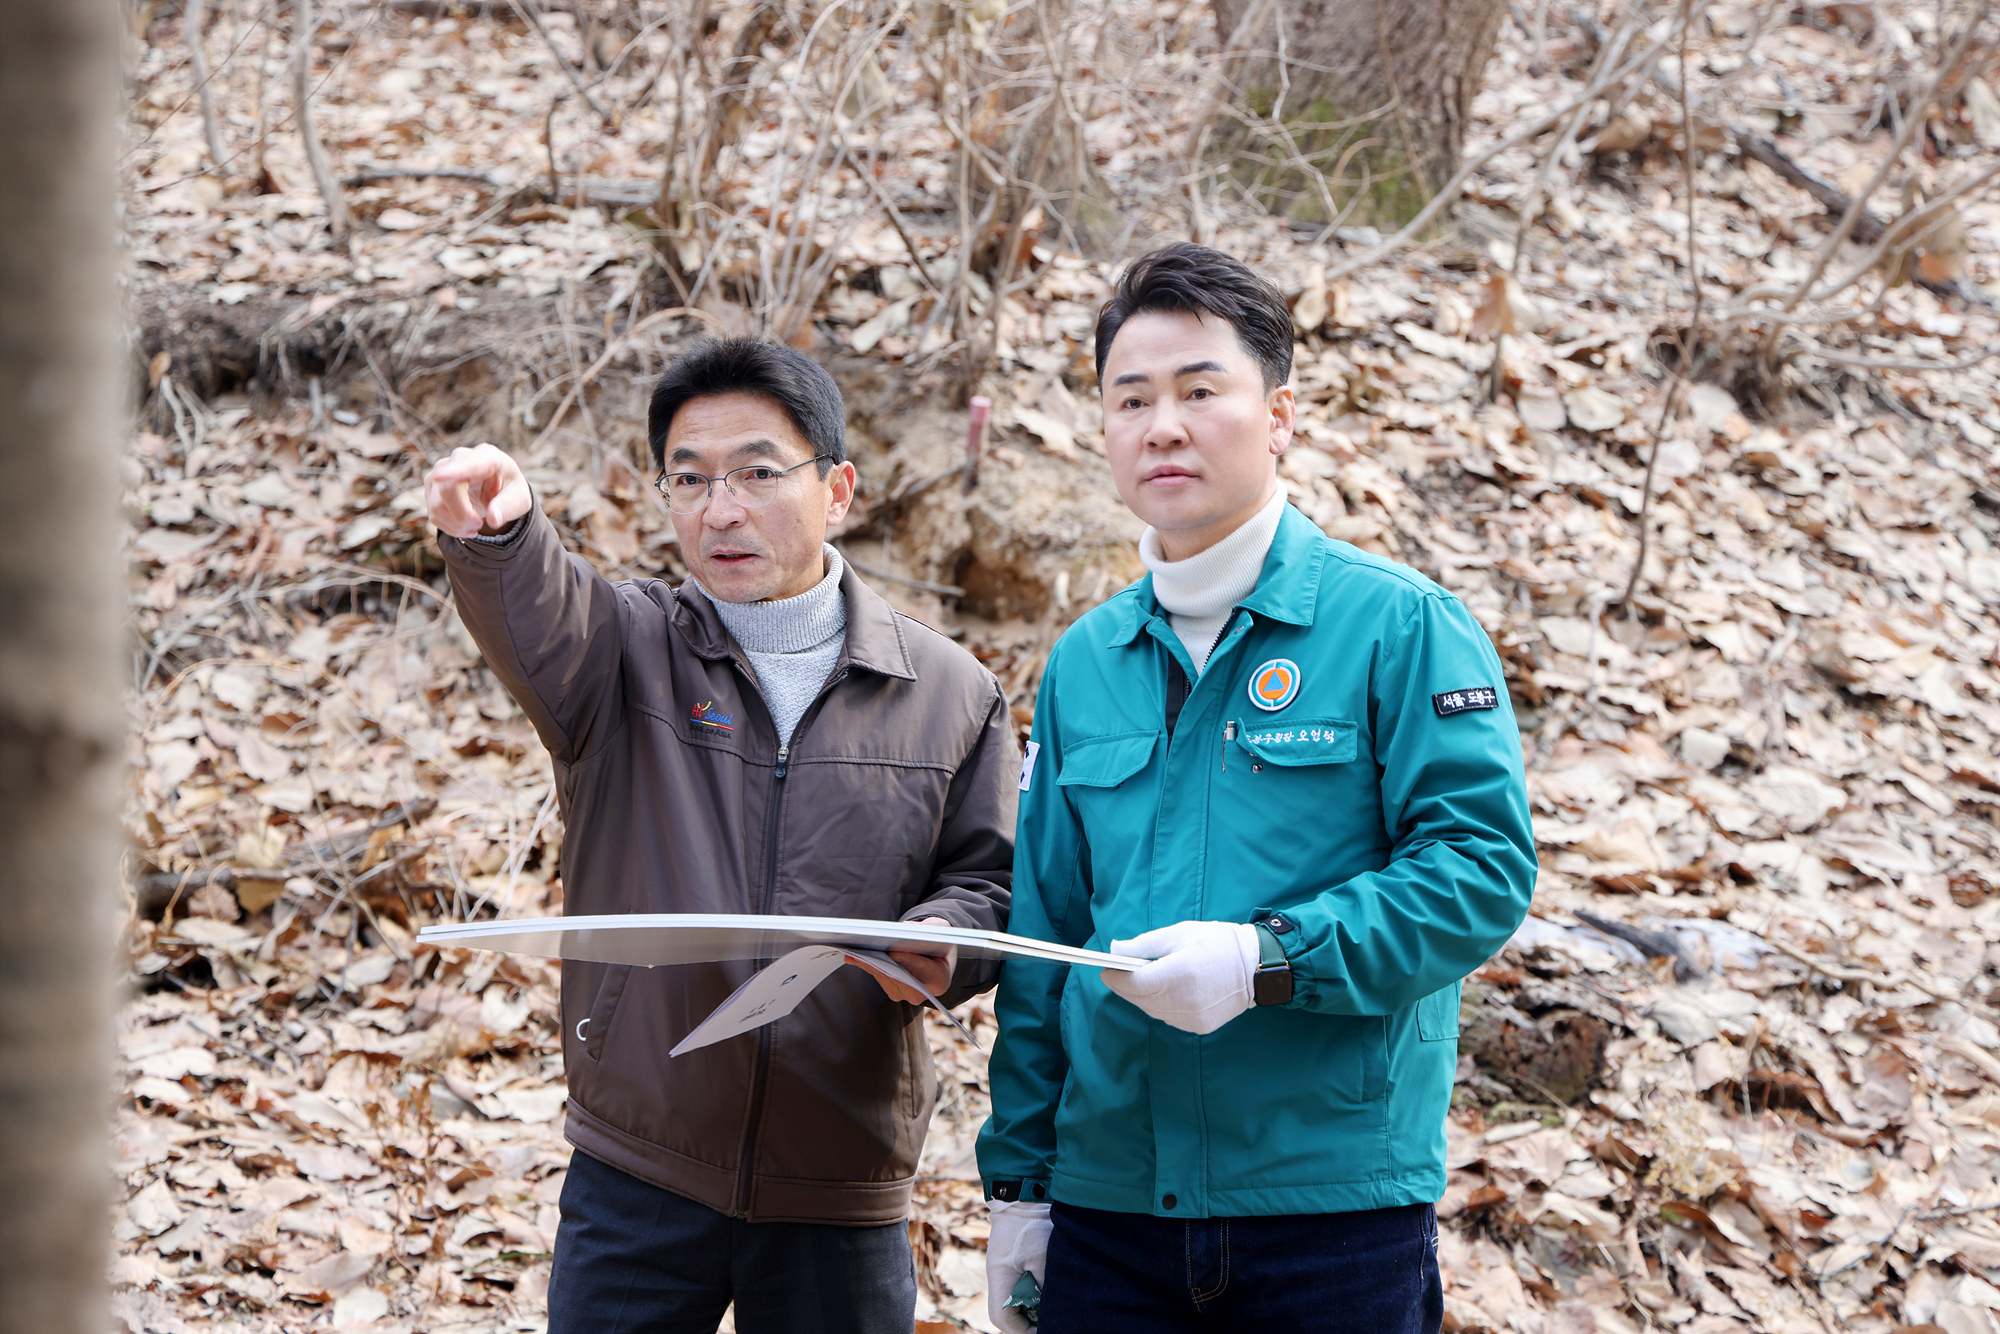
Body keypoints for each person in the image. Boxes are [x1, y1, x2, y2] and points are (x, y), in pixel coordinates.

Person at [975, 243, 1535, 1334]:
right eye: (1129, 398)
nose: (1161, 425)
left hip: (1328, 1211)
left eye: (1197, 390)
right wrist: (1020, 1186)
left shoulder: (1396, 625)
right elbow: (1045, 932)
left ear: (1276, 414)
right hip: (1109, 1209)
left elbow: (1478, 869)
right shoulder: (1087, 659)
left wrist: (1267, 958)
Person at [424, 339, 1017, 1334]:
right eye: (689, 479)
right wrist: (501, 533)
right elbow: (535, 610)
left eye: (755, 471)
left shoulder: (949, 690)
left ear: (836, 488)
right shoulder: (622, 650)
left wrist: (943, 939)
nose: (719, 509)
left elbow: (987, 875)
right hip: (639, 1165)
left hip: (839, 1173)